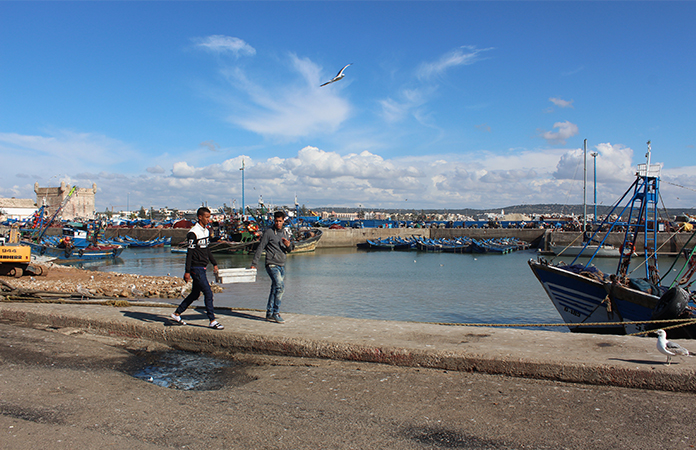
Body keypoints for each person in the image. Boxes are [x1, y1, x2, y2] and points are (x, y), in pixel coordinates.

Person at [171, 207, 224, 329]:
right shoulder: (193, 233)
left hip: (203, 266)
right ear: (200, 217)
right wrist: (187, 271)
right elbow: (189, 253)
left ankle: (177, 313)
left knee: (195, 294)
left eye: (209, 217)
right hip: (196, 267)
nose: (208, 220)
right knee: (208, 293)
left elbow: (207, 249)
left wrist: (214, 263)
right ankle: (212, 320)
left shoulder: (205, 231)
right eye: (206, 217)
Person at [251, 211, 294, 323]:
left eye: (280, 221)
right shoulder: (269, 232)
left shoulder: (285, 232)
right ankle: (276, 312)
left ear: (283, 220)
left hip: (281, 264)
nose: (278, 223)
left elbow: (289, 249)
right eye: (276, 221)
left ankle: (269, 313)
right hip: (271, 263)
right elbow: (260, 247)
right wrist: (254, 264)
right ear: (273, 220)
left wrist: (288, 245)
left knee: (275, 288)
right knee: (280, 287)